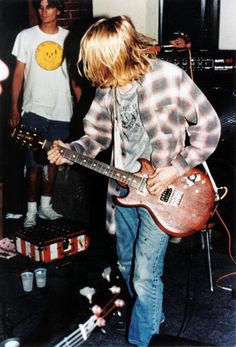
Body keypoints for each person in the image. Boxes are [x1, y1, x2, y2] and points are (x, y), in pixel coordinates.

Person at [47, 16, 221, 347]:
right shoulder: (109, 87)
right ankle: (153, 318)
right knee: (127, 267)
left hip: (164, 193)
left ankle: (146, 341)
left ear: (118, 55)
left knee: (144, 275)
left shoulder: (169, 79)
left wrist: (176, 166)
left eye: (100, 63)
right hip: (125, 190)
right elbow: (95, 137)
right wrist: (68, 151)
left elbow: (210, 127)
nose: (95, 72)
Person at [9, 0, 82, 228]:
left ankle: (46, 207)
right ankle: (30, 211)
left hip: (62, 111)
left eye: (48, 7)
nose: (43, 12)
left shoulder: (69, 38)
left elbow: (74, 77)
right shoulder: (26, 36)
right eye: (40, 7)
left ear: (58, 10)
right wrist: (14, 107)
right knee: (33, 164)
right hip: (34, 110)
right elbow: (18, 75)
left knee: (53, 162)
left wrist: (80, 110)